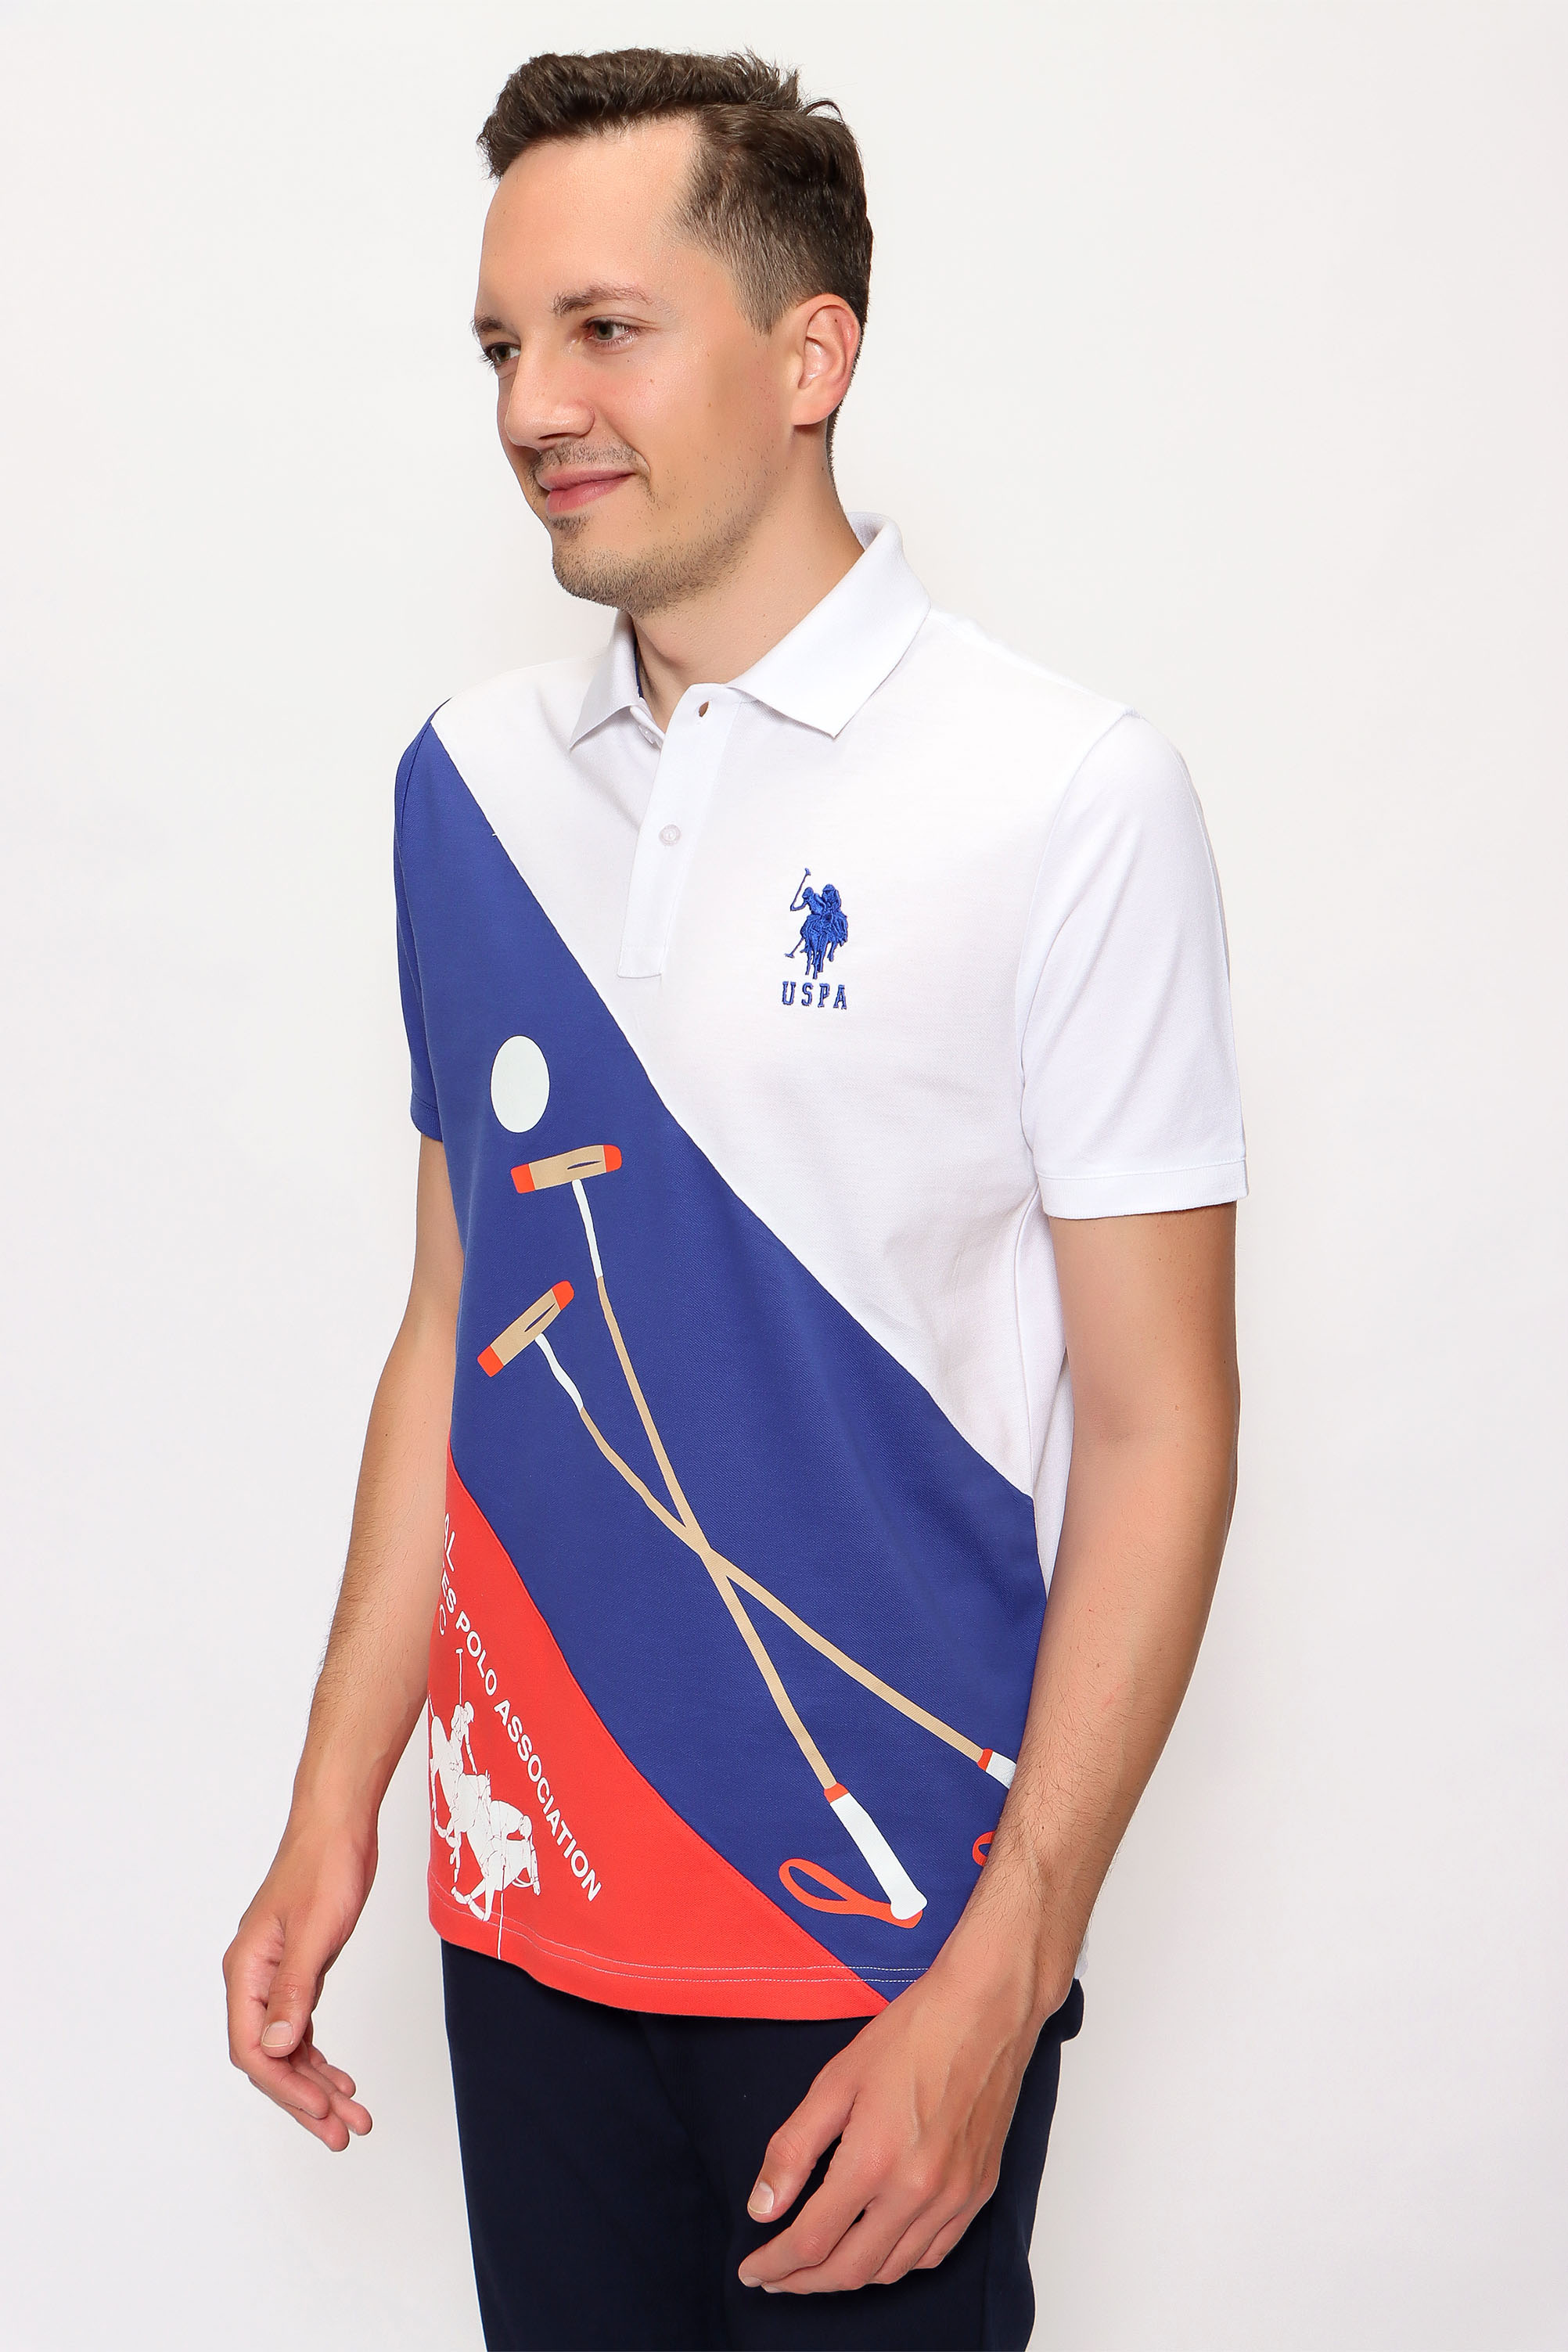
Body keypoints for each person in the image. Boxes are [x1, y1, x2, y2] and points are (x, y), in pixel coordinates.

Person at [224, 46, 1245, 2352]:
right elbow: (455, 1326)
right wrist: (336, 1805)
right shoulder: (468, 787)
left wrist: (1009, 1967)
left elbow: (1162, 1426)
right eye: (503, 344)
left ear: (811, 356)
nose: (533, 408)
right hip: (529, 1920)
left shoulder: (1065, 795)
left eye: (606, 328)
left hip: (881, 1944)